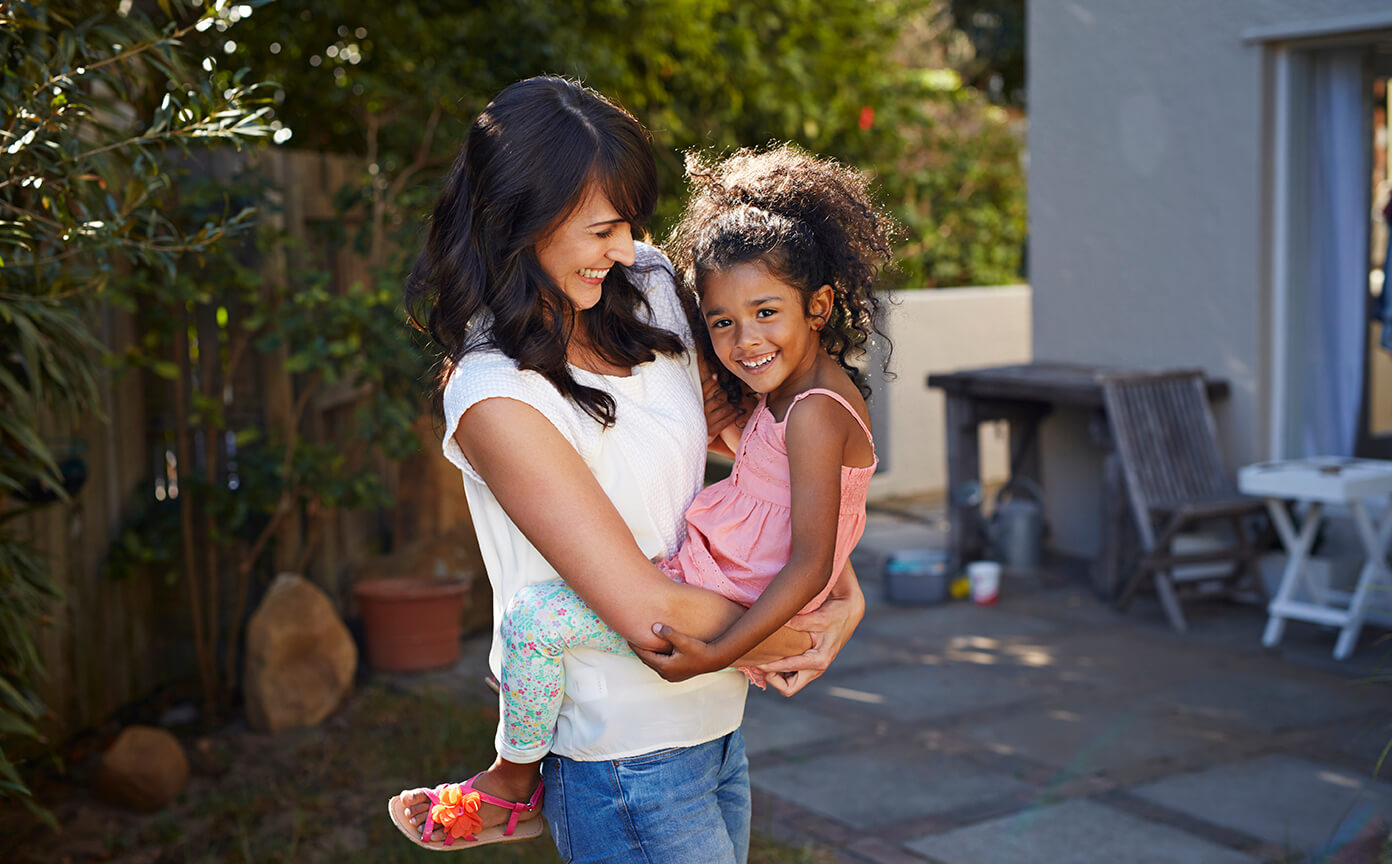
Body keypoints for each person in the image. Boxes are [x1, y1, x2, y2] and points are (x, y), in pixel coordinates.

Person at [387, 76, 867, 863]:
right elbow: (651, 614)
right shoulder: (494, 395)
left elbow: (762, 454)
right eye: (602, 228)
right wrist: (790, 629)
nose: (627, 247)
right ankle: (512, 782)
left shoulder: (645, 289)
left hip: (716, 730)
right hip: (622, 760)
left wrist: (841, 589)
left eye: (629, 224)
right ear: (520, 223)